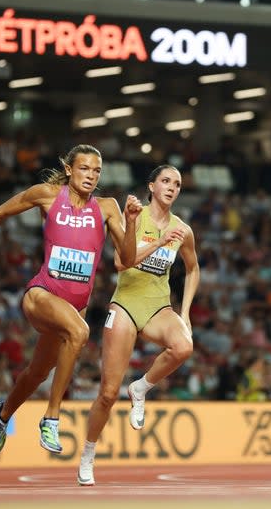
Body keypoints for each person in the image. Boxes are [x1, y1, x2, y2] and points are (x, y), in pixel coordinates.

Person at [0, 144, 142, 455]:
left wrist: (131, 222)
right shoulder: (48, 194)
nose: (91, 176)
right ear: (69, 169)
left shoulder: (107, 207)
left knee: (36, 374)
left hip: (71, 308)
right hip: (41, 295)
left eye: (96, 171)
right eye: (84, 168)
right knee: (80, 332)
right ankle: (52, 419)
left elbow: (129, 258)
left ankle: (3, 415)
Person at [78, 164, 199, 486]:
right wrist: (158, 241)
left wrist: (185, 312)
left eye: (177, 183)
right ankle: (88, 454)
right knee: (107, 393)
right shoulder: (133, 215)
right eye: (165, 181)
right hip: (126, 304)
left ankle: (141, 387)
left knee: (184, 346)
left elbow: (193, 269)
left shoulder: (182, 229)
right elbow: (121, 262)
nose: (172, 187)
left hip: (158, 306)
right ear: (152, 186)